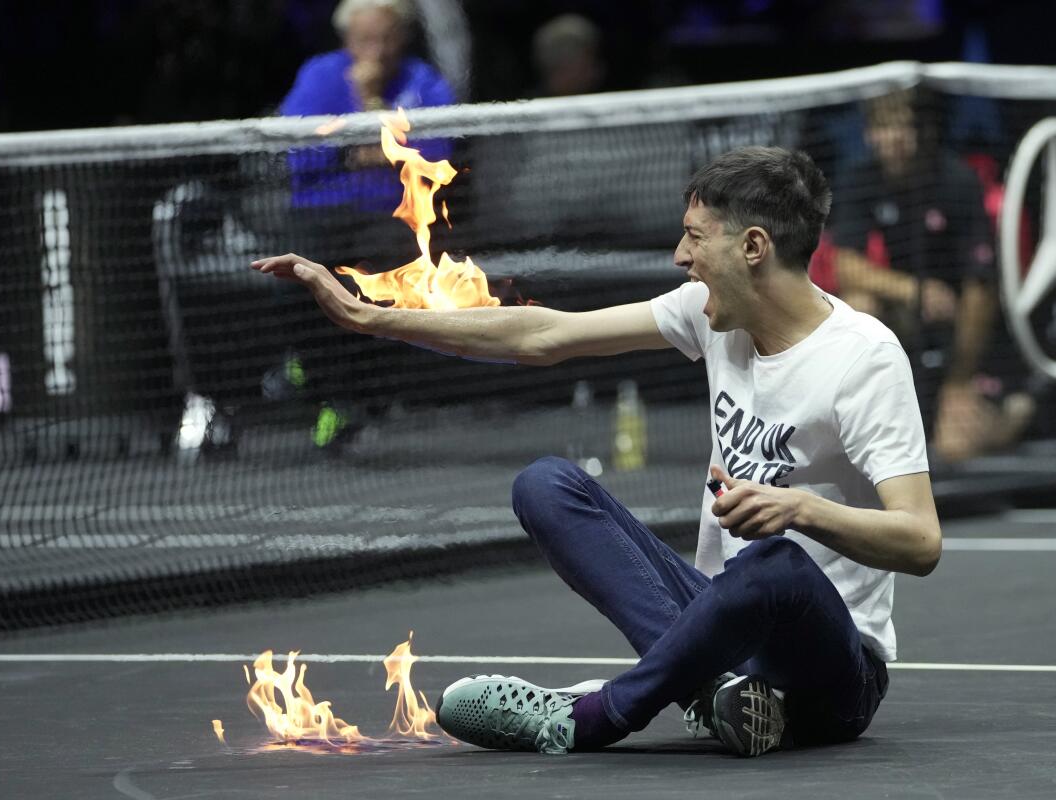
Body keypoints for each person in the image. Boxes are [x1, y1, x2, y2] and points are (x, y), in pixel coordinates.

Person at [251, 146, 942, 756]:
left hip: (832, 670)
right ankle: (717, 693)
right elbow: (542, 336)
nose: (680, 256)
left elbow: (919, 541)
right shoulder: (708, 316)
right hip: (721, 627)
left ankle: (593, 716)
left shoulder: (863, 360)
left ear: (753, 247)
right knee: (546, 485)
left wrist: (800, 509)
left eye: (695, 238)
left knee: (775, 567)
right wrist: (369, 317)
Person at [274, 0, 456, 448]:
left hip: (394, 222)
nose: (376, 49)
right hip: (317, 219)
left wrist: (368, 109)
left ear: (404, 37)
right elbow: (292, 149)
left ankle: (341, 398)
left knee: (376, 284)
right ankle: (321, 385)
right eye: (365, 39)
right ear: (347, 39)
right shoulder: (320, 75)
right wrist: (357, 147)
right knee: (297, 271)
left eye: (386, 37)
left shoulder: (423, 81)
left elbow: (440, 153)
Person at [825, 89, 1032, 463]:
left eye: (905, 126)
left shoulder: (957, 181)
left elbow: (981, 286)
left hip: (964, 326)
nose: (896, 138)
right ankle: (866, 412)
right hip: (910, 315)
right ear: (870, 133)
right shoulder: (861, 179)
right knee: (859, 304)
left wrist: (960, 378)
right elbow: (845, 267)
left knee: (954, 448)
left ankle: (1010, 410)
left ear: (926, 131)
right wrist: (914, 290)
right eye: (885, 127)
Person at [531, 13, 606, 98]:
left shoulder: (599, 101)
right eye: (589, 63)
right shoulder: (529, 109)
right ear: (565, 64)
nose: (596, 71)